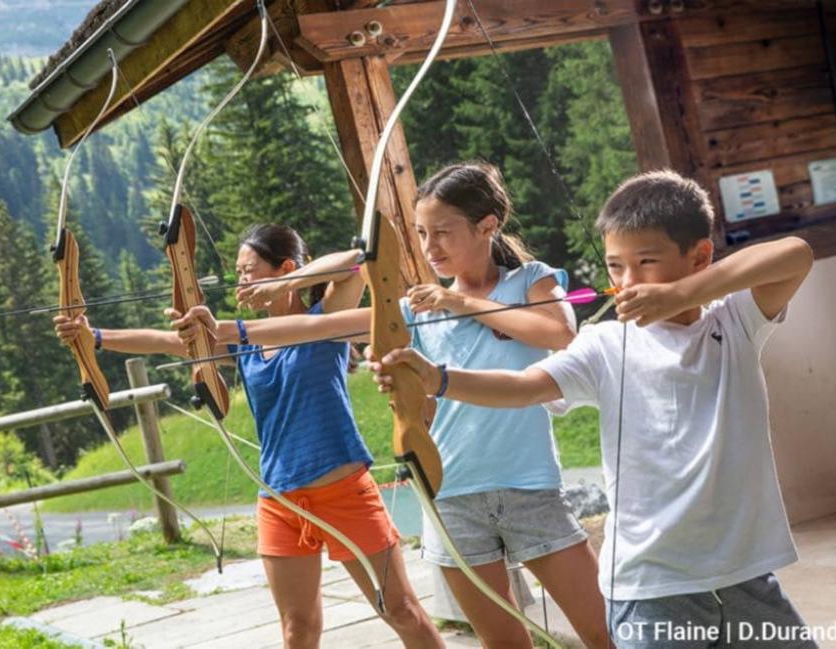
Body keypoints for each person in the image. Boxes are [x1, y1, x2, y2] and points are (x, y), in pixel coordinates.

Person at [371, 170, 817, 648]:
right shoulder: (603, 343)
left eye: (646, 262)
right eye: (615, 266)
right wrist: (440, 380)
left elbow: (795, 254)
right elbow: (524, 386)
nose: (627, 281)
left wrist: (683, 294)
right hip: (650, 586)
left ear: (699, 258)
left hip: (745, 575)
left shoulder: (733, 322)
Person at [188, 162, 611, 648]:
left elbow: (559, 333)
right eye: (420, 234)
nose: (429, 248)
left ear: (487, 226)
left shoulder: (529, 282)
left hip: (530, 489)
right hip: (451, 497)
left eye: (442, 233)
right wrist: (221, 331)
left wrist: (457, 304)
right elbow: (314, 328)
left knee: (604, 636)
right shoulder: (413, 311)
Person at [54, 223, 442, 649]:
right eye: (238, 273)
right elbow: (169, 343)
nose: (240, 281)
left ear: (286, 269)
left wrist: (296, 282)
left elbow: (356, 263)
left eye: (249, 270)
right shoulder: (245, 341)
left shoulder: (325, 320)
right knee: (298, 628)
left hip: (343, 492)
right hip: (278, 502)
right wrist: (97, 339)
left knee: (401, 610)